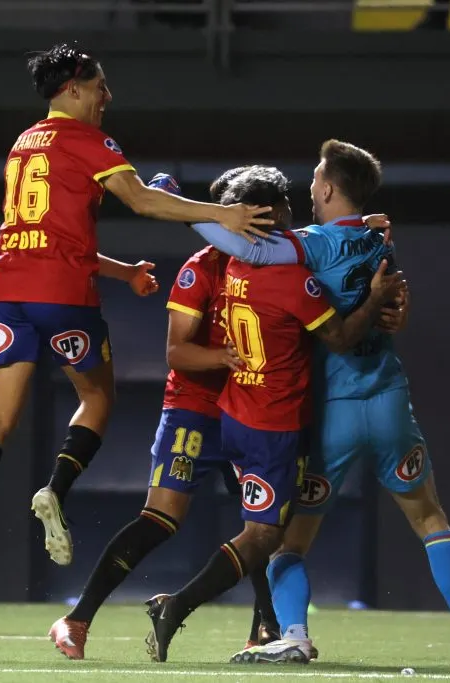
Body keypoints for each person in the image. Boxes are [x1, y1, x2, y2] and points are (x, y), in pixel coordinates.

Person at [0, 42, 275, 596]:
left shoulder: (22, 145)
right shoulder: (89, 141)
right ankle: (54, 490)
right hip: (62, 297)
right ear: (72, 88)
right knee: (98, 400)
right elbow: (142, 200)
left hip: (5, 292)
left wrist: (123, 273)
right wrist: (222, 213)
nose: (107, 97)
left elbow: (50, 238)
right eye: (100, 87)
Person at [183, 141, 450, 666]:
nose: (309, 186)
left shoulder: (309, 243)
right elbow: (395, 299)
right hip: (389, 400)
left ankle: (295, 635)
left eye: (314, 178)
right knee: (430, 518)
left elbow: (247, 247)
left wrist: (182, 205)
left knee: (288, 541)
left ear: (328, 187)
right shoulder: (380, 243)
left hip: (332, 409)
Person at [143, 166, 404, 663]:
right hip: (274, 424)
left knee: (268, 530)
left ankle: (267, 626)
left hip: (234, 412)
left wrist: (356, 223)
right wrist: (372, 299)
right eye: (285, 206)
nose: (293, 210)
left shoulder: (235, 266)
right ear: (273, 215)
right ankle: (178, 608)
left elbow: (273, 240)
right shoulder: (292, 280)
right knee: (266, 537)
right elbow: (342, 338)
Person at [47, 171, 278, 660]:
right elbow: (176, 353)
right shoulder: (202, 270)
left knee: (262, 525)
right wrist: (222, 358)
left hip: (249, 410)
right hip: (195, 411)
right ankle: (76, 618)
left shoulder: (277, 264)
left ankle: (267, 627)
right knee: (159, 519)